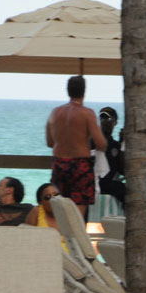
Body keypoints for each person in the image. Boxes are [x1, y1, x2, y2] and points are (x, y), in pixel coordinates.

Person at [46, 75, 107, 220]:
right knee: (77, 215)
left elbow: (49, 142)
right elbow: (100, 144)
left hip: (59, 164)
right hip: (80, 166)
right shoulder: (87, 113)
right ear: (84, 92)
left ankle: (59, 239)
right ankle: (75, 240)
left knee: (58, 209)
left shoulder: (55, 112)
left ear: (67, 91)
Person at [97, 107, 126, 206]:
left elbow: (122, 170)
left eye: (109, 119)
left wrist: (122, 142)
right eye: (102, 119)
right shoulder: (94, 141)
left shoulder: (115, 145)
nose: (105, 122)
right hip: (97, 181)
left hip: (111, 182)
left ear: (115, 122)